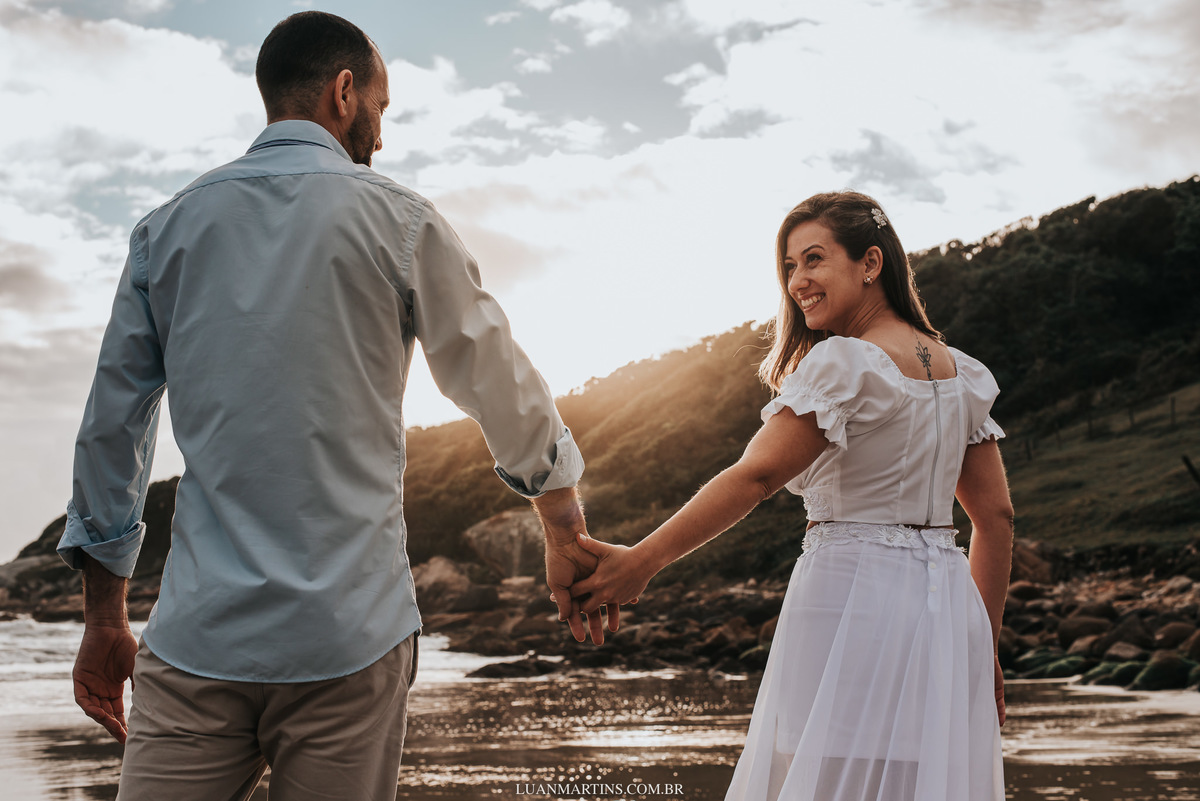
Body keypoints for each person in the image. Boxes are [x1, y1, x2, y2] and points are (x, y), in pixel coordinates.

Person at [57, 11, 612, 801]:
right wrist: (560, 518)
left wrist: (105, 618)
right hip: (352, 635)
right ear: (344, 93)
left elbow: (115, 428)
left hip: (197, 638)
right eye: (380, 111)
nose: (379, 138)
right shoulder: (401, 220)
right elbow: (496, 377)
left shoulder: (165, 231)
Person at [571, 191, 1013, 800]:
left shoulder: (846, 363)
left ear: (871, 264)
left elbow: (755, 478)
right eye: (788, 267)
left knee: (819, 778)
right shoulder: (964, 373)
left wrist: (640, 562)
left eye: (813, 260)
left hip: (848, 598)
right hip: (946, 614)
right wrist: (981, 645)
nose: (798, 281)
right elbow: (996, 519)